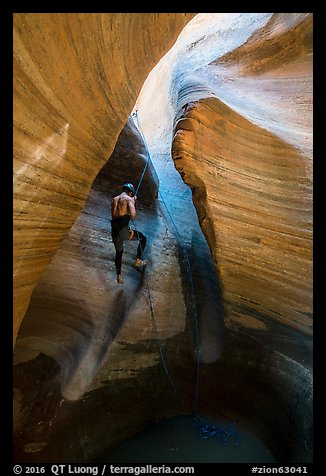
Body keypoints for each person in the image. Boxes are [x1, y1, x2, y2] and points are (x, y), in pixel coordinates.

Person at [111, 183, 147, 284]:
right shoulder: (129, 199)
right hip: (124, 232)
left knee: (119, 253)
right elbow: (133, 216)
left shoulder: (115, 199)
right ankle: (138, 260)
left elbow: (114, 215)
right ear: (130, 192)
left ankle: (119, 275)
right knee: (143, 238)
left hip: (114, 232)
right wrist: (133, 202)